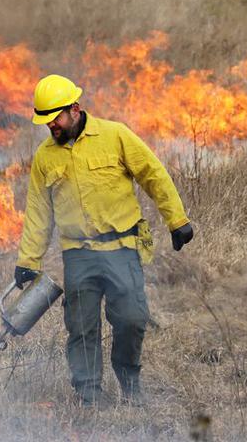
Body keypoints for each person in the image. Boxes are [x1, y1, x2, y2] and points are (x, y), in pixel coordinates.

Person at [14, 74, 194, 407]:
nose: (51, 125)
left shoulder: (115, 135)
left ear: (75, 109)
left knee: (131, 319)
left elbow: (153, 174)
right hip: (78, 254)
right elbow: (39, 212)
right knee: (81, 326)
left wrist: (177, 220)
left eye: (55, 118)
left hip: (122, 249)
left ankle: (129, 382)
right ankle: (89, 392)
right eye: (45, 120)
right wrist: (28, 260)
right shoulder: (44, 157)